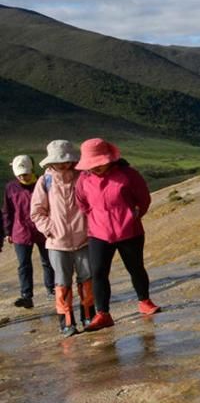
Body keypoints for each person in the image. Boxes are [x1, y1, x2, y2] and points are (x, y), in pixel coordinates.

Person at [74, 138, 159, 331]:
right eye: (91, 164)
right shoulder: (84, 179)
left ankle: (144, 301)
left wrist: (134, 216)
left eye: (99, 163)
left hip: (129, 230)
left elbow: (143, 198)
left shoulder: (128, 174)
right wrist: (97, 218)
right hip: (98, 233)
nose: (95, 168)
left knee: (135, 267)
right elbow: (82, 204)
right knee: (98, 272)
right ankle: (103, 314)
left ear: (109, 159)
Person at [30, 140, 96, 336]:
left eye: (66, 161)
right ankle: (67, 322)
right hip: (57, 243)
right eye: (59, 161)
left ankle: (88, 316)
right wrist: (49, 229)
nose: (64, 164)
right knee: (62, 282)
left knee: (87, 279)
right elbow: (37, 212)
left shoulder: (83, 177)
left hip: (84, 238)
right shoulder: (45, 181)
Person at [4, 155, 55, 309]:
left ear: (31, 170)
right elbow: (7, 211)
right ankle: (26, 296)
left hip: (43, 229)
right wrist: (7, 231)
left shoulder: (43, 182)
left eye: (25, 174)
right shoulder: (11, 187)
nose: (22, 177)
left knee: (48, 261)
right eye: (19, 175)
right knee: (23, 265)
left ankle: (51, 289)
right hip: (20, 231)